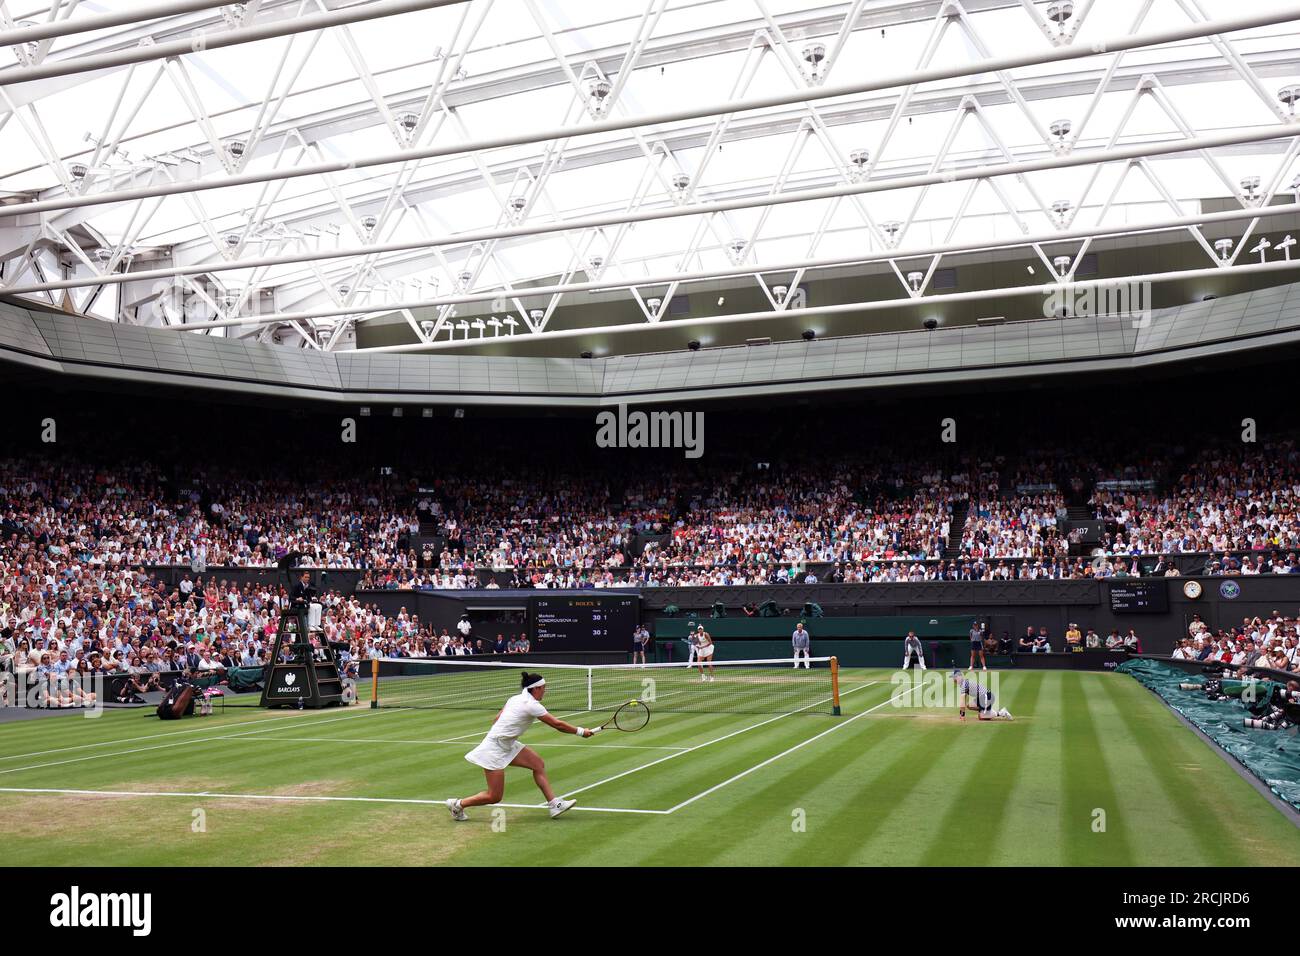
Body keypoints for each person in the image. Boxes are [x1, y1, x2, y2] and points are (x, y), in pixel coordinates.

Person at [446, 671, 594, 821]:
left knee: (538, 764)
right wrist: (581, 732)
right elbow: (558, 725)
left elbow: (496, 719)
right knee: (494, 796)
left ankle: (554, 805)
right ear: (536, 689)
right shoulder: (532, 705)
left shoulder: (514, 699)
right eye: (544, 688)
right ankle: (457, 804)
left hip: (507, 743)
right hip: (494, 749)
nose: (545, 691)